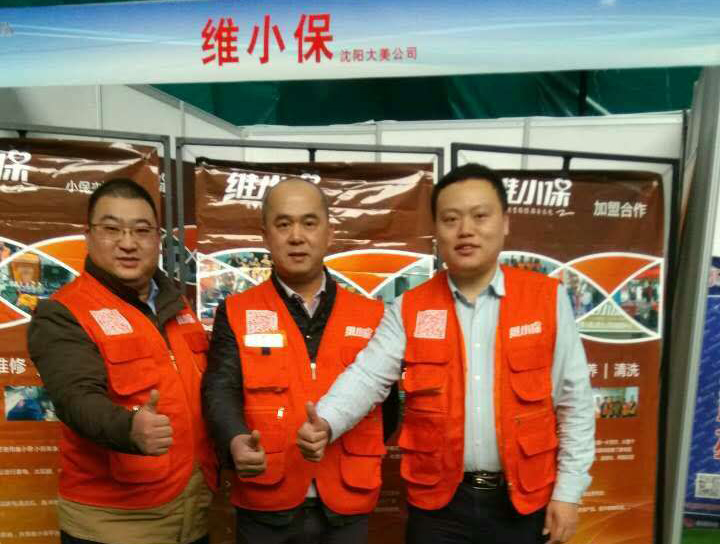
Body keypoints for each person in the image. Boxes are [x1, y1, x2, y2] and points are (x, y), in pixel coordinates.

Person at [298, 163, 595, 544]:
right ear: (436, 231)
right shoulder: (410, 307)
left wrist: (568, 493)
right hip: (439, 506)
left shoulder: (547, 300)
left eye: (480, 216)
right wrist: (325, 421)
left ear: (505, 222)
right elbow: (367, 376)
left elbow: (575, 403)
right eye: (451, 219)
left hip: (524, 502)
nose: (465, 230)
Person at [202, 178, 397, 544]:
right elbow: (220, 389)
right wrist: (234, 439)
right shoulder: (237, 311)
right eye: (283, 224)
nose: (296, 236)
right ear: (265, 236)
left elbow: (388, 408)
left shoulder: (373, 315)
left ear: (329, 233)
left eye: (309, 223)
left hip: (347, 503)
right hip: (267, 503)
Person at [27, 179, 217, 544]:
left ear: (158, 239)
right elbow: (76, 399)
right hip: (114, 523)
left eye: (142, 231)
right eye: (112, 229)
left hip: (191, 511)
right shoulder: (64, 312)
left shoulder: (178, 306)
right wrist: (128, 428)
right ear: (88, 235)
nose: (128, 243)